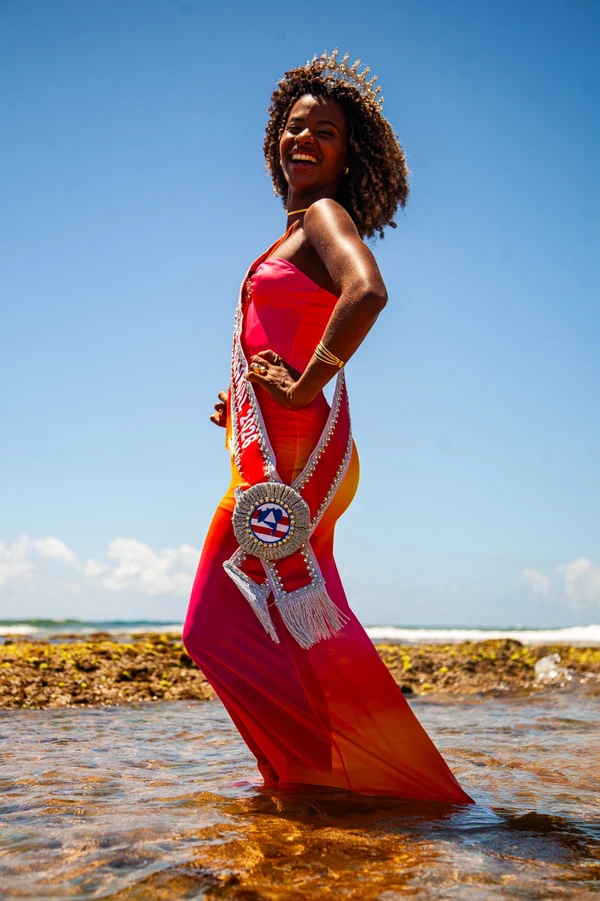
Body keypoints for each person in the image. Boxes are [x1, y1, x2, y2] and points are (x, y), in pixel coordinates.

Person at [183, 50, 473, 804]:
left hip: (297, 456)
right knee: (305, 621)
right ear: (274, 138)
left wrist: (308, 379)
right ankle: (339, 773)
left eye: (326, 132)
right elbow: (276, 331)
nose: (303, 138)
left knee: (211, 625)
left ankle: (317, 772)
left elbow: (367, 292)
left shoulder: (322, 217)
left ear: (349, 157)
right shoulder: (288, 232)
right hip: (284, 443)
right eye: (294, 124)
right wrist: (242, 392)